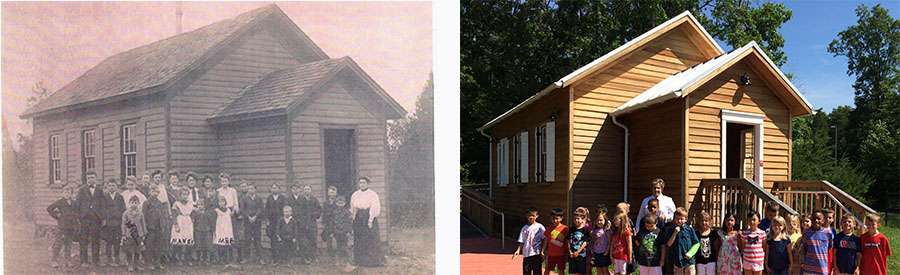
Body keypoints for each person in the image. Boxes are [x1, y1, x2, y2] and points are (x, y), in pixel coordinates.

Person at [350, 177, 386, 267]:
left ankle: (372, 261)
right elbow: (353, 207)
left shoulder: (372, 194)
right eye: (360, 183)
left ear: (368, 184)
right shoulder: (355, 194)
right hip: (359, 218)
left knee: (371, 239)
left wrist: (370, 220)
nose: (362, 184)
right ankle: (360, 261)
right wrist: (353, 218)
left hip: (368, 216)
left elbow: (375, 207)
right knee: (359, 238)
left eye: (364, 183)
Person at [47, 183, 79, 268]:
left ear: (71, 194)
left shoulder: (74, 203)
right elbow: (49, 208)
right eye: (65, 192)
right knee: (58, 243)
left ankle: (67, 260)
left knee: (68, 244)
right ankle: (54, 259)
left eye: (69, 193)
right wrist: (56, 215)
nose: (67, 194)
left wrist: (76, 221)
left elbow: (77, 212)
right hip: (62, 226)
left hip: (71, 226)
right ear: (62, 193)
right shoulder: (60, 202)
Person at [77, 171, 104, 267]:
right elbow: (78, 203)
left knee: (95, 239)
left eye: (92, 177)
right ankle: (83, 260)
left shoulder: (99, 190)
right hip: (85, 217)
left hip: (96, 218)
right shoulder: (82, 189)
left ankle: (95, 260)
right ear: (86, 179)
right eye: (88, 178)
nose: (90, 179)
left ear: (96, 178)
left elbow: (102, 204)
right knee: (84, 239)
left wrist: (102, 217)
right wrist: (80, 216)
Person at [664, 207, 698, 275]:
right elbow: (669, 244)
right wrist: (675, 233)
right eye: (677, 219)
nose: (679, 221)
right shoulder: (671, 230)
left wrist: (691, 253)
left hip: (689, 261)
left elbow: (696, 243)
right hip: (677, 261)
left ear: (686, 219)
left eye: (681, 219)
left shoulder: (690, 230)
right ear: (674, 219)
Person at [100, 178, 126, 267]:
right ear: (107, 187)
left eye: (113, 186)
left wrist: (121, 220)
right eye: (110, 186)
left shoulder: (120, 197)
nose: (111, 187)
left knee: (117, 241)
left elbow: (123, 209)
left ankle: (117, 257)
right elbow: (102, 209)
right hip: (108, 223)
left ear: (116, 186)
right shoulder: (104, 197)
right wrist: (105, 219)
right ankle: (109, 258)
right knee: (109, 241)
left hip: (118, 222)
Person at [142, 184, 169, 270]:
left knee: (158, 245)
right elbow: (143, 215)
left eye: (156, 191)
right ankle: (149, 262)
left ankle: (157, 262)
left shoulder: (160, 203)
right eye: (152, 191)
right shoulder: (146, 203)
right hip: (150, 227)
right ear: (149, 192)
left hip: (158, 227)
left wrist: (163, 225)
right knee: (149, 245)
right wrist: (144, 227)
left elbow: (162, 215)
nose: (154, 193)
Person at [513, 206, 545, 275]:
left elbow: (544, 238)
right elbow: (522, 241)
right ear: (526, 216)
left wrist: (542, 250)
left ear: (537, 216)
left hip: (537, 254)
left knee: (537, 272)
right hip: (527, 255)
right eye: (529, 215)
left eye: (533, 215)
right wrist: (518, 250)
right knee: (527, 272)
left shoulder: (540, 227)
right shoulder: (524, 228)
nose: (531, 217)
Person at [800, 210, 832, 274]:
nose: (816, 221)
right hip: (809, 267)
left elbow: (828, 248)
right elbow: (804, 248)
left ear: (823, 220)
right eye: (814, 219)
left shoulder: (828, 233)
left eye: (819, 219)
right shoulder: (807, 232)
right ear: (811, 220)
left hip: (822, 267)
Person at [121, 195, 147, 272]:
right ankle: (130, 265)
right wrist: (124, 234)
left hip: (139, 234)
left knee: (137, 250)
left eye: (135, 203)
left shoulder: (140, 213)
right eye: (132, 203)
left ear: (138, 203)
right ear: (129, 203)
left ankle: (136, 264)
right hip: (130, 235)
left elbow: (143, 224)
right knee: (129, 250)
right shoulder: (126, 213)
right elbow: (123, 224)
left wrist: (144, 233)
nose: (134, 204)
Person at [298, 184, 321, 264]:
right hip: (303, 223)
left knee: (313, 240)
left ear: (311, 191)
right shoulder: (300, 199)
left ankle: (314, 257)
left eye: (308, 189)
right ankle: (306, 257)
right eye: (305, 189)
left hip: (312, 222)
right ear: (303, 191)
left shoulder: (314, 199)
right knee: (304, 241)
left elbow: (319, 210)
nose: (307, 190)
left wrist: (313, 214)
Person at [240, 184, 263, 264]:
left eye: (252, 188)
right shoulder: (244, 199)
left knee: (257, 239)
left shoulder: (259, 199)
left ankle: (260, 258)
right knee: (247, 239)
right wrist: (248, 217)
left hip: (257, 221)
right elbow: (242, 209)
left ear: (255, 189)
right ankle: (246, 258)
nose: (250, 190)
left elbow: (261, 208)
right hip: (247, 222)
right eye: (249, 188)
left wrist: (255, 216)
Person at [171, 189, 195, 265]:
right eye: (183, 194)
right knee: (179, 240)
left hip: (187, 222)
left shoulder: (190, 204)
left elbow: (192, 214)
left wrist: (192, 221)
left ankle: (187, 258)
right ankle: (178, 258)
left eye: (186, 195)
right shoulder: (176, 204)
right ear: (180, 195)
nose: (185, 196)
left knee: (188, 240)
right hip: (180, 221)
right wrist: (176, 224)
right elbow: (174, 215)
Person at [264, 183, 287, 264]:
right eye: (273, 188)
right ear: (271, 189)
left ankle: (283, 257)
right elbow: (266, 210)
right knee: (273, 240)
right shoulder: (269, 198)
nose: (274, 189)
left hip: (281, 221)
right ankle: (275, 258)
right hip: (272, 222)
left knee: (282, 238)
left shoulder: (283, 198)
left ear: (279, 189)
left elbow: (285, 209)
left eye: (276, 188)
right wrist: (267, 221)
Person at [213, 195, 237, 269]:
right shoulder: (216, 210)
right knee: (221, 244)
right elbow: (214, 221)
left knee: (228, 243)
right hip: (220, 229)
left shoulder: (228, 210)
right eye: (220, 202)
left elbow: (231, 218)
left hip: (227, 229)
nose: (221, 203)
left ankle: (228, 258)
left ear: (225, 202)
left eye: (223, 201)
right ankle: (221, 258)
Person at [542, 208, 568, 275]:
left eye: (557, 218)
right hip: (550, 254)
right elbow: (546, 240)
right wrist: (543, 250)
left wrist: (567, 252)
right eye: (553, 218)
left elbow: (567, 241)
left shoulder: (565, 228)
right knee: (547, 269)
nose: (555, 220)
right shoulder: (548, 228)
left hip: (561, 254)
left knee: (561, 270)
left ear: (561, 218)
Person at [740, 210, 766, 275]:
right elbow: (743, 247)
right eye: (750, 220)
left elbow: (764, 247)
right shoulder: (745, 233)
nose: (752, 222)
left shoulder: (762, 233)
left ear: (759, 221)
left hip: (758, 261)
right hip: (747, 261)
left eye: (754, 220)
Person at [694, 211, 719, 275]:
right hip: (700, 261)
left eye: (706, 221)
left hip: (711, 261)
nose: (704, 222)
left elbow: (716, 247)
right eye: (702, 221)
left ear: (710, 221)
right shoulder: (696, 234)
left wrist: (716, 259)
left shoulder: (713, 233)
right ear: (699, 222)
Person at [590, 205, 612, 275]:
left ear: (605, 220)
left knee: (605, 270)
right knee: (598, 270)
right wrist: (592, 249)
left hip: (604, 252)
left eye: (601, 220)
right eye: (597, 220)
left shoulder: (607, 230)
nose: (599, 222)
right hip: (596, 252)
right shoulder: (594, 230)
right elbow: (593, 241)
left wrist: (607, 251)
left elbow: (609, 241)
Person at [567, 208, 590, 275]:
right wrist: (570, 251)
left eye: (578, 218)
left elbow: (585, 242)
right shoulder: (571, 229)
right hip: (572, 255)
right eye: (574, 219)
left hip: (581, 256)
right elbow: (568, 240)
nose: (576, 220)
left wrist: (578, 251)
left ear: (583, 220)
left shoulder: (585, 230)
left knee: (582, 272)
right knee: (575, 272)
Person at [332, 195, 353, 269]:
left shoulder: (347, 212)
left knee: (345, 247)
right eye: (339, 203)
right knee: (337, 247)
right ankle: (338, 261)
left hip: (344, 232)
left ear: (344, 203)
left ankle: (345, 261)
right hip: (337, 232)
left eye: (342, 203)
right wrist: (332, 232)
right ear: (336, 203)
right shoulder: (334, 212)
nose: (340, 204)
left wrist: (349, 232)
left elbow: (349, 223)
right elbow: (332, 223)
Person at [191, 198, 214, 266]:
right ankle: (198, 259)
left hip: (206, 231)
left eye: (201, 204)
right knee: (198, 245)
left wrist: (211, 230)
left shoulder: (207, 213)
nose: (200, 206)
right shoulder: (195, 213)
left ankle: (205, 259)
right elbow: (192, 220)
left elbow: (210, 222)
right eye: (198, 204)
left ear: (204, 206)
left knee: (206, 245)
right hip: (198, 230)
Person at [321, 185, 339, 262]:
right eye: (330, 192)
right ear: (328, 193)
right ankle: (330, 257)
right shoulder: (326, 203)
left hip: (336, 223)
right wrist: (324, 222)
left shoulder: (338, 202)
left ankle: (337, 257)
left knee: (337, 240)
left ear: (336, 193)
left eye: (333, 192)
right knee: (329, 241)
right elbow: (324, 213)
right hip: (328, 223)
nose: (332, 194)